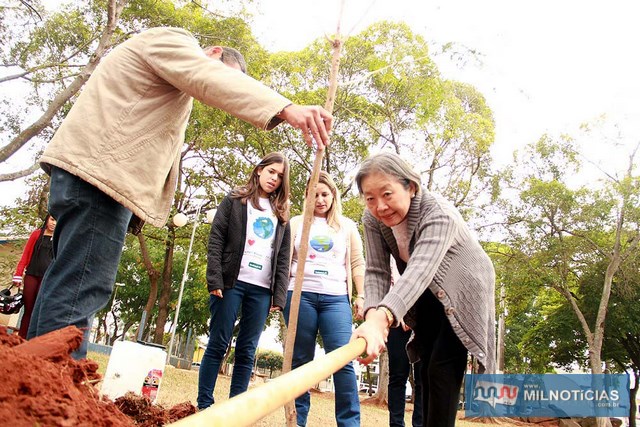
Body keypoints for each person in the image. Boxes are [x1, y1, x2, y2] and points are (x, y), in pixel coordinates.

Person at [28, 26, 333, 359]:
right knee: (82, 286)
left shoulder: (165, 77)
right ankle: (54, 392)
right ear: (214, 52)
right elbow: (208, 79)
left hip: (91, 176)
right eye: (225, 78)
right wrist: (286, 109)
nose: (221, 88)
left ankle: (31, 383)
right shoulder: (174, 41)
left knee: (66, 282)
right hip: (99, 181)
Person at [350, 152, 495, 427]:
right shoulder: (373, 220)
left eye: (387, 194)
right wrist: (372, 317)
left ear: (411, 187)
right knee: (424, 367)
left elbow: (420, 268)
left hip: (465, 288)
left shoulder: (438, 212)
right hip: (427, 291)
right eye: (370, 198)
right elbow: (377, 271)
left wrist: (384, 316)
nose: (380, 206)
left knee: (441, 368)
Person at [197, 152, 292, 410]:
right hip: (230, 284)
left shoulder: (282, 213)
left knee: (247, 350)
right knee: (218, 343)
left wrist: (279, 296)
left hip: (261, 291)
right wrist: (214, 278)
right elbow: (216, 238)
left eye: (280, 176)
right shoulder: (235, 200)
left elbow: (284, 257)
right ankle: (204, 404)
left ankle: (235, 409)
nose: (274, 178)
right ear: (259, 170)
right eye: (271, 171)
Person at [284, 171, 365, 427]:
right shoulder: (296, 223)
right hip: (300, 297)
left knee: (342, 360)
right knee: (300, 361)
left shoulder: (347, 226)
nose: (320, 200)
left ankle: (349, 422)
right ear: (307, 196)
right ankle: (297, 420)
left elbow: (356, 263)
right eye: (314, 194)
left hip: (336, 299)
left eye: (324, 194)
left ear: (333, 196)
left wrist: (361, 295)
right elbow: (284, 261)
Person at [387, 260, 423, 427]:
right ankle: (396, 424)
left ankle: (420, 423)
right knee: (397, 376)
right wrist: (399, 313)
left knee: (423, 379)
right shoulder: (390, 252)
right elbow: (388, 284)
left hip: (424, 320)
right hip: (396, 319)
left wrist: (415, 316)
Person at [12, 214, 56, 339]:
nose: (54, 223)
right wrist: (18, 274)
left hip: (47, 278)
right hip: (31, 275)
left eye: (57, 221)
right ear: (47, 219)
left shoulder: (60, 237)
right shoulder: (36, 234)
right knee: (28, 309)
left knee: (40, 309)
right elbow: (25, 254)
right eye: (52, 219)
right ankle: (22, 338)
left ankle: (34, 339)